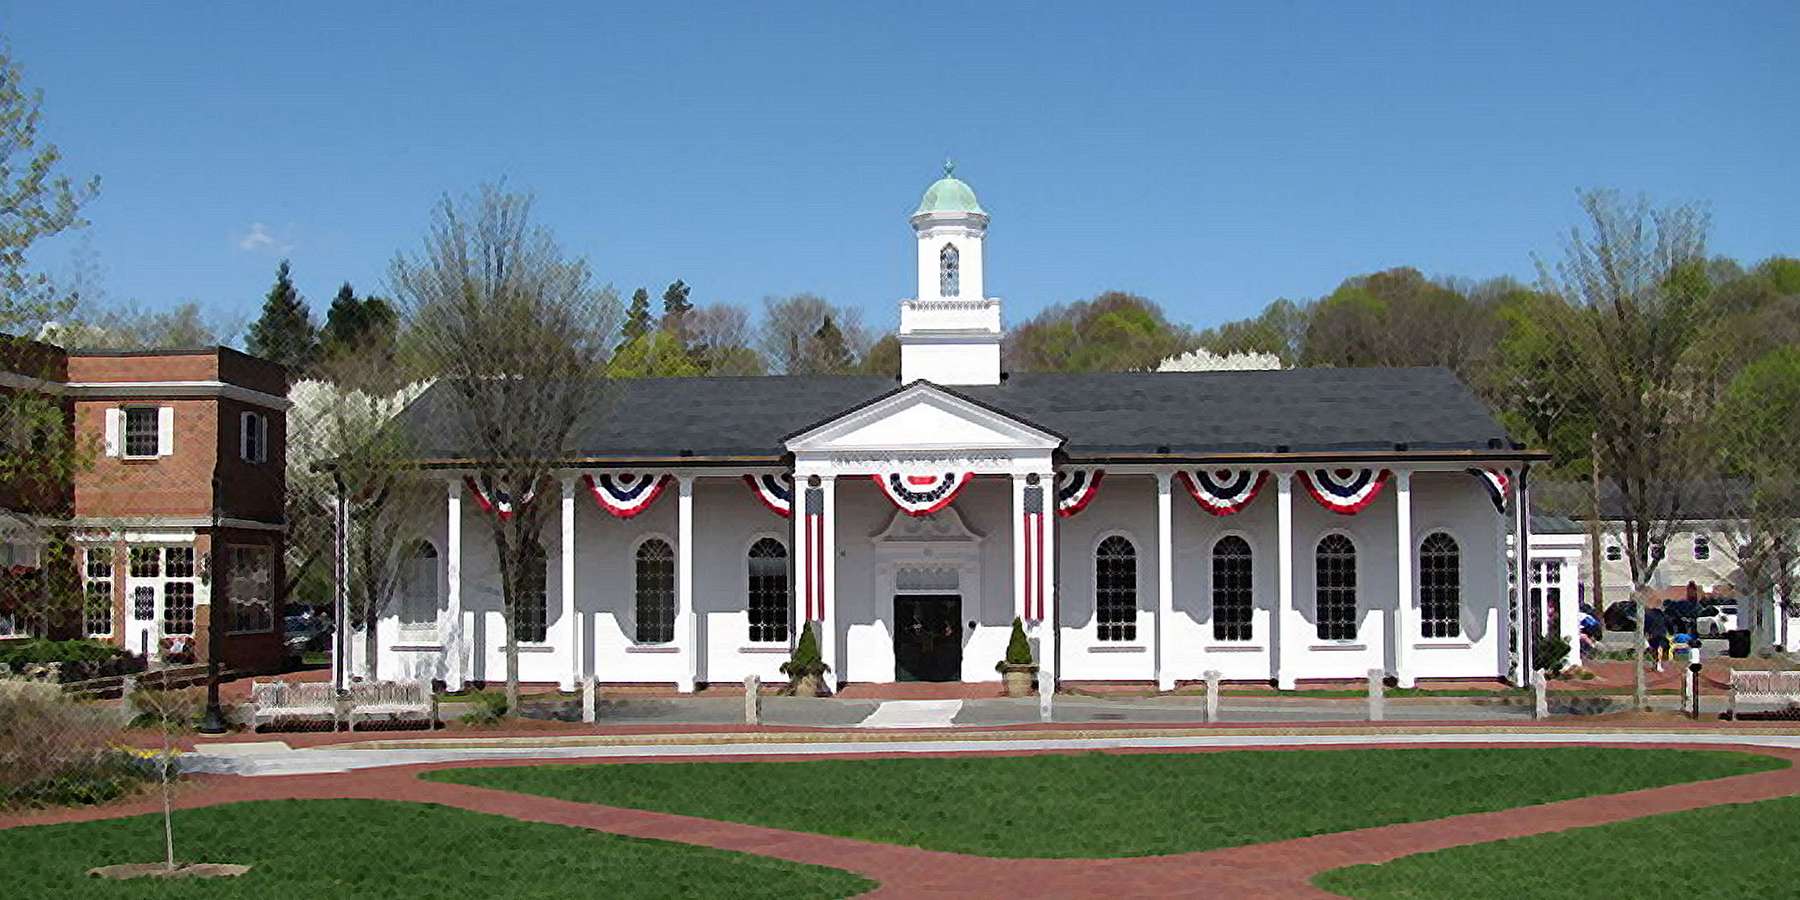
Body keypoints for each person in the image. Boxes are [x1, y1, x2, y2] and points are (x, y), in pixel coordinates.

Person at [1645, 606, 1671, 672]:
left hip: (1652, 634)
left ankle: (1655, 663)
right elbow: (1669, 624)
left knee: (1654, 649)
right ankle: (1658, 664)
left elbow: (1646, 625)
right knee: (1659, 648)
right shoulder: (1663, 616)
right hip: (1661, 634)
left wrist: (1646, 632)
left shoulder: (1649, 617)